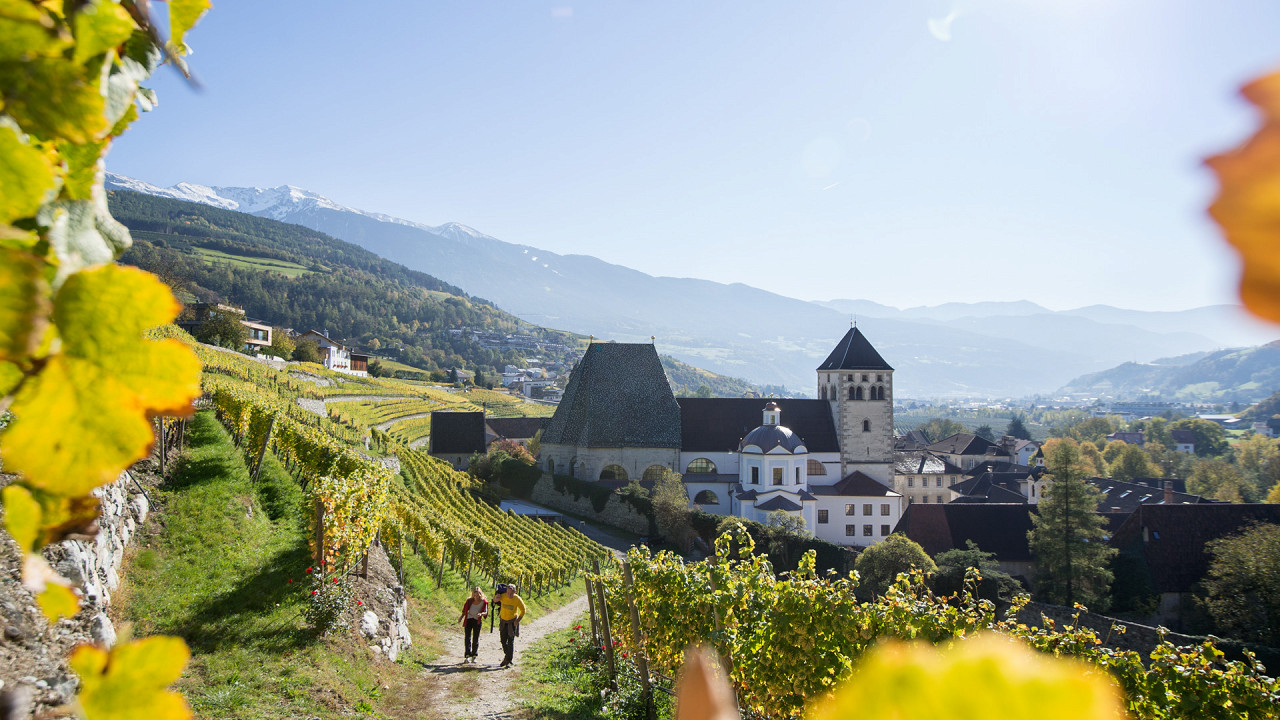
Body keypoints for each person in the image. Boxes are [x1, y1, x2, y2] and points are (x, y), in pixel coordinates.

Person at [497, 583, 526, 668]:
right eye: (508, 593)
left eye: (511, 593)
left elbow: (523, 610)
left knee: (510, 641)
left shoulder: (517, 599)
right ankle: (507, 656)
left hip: (512, 622)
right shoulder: (503, 596)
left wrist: (517, 621)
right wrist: (496, 598)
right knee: (503, 640)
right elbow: (495, 601)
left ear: (515, 592)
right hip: (503, 621)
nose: (509, 595)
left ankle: (509, 660)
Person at [457, 586, 488, 663]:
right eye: (475, 595)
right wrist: (461, 617)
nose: (476, 597)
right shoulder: (469, 601)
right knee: (467, 637)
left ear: (480, 594)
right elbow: (465, 610)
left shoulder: (484, 602)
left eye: (477, 595)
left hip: (477, 621)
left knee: (475, 638)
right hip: (469, 619)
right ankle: (467, 655)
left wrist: (481, 614)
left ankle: (474, 655)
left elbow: (486, 612)